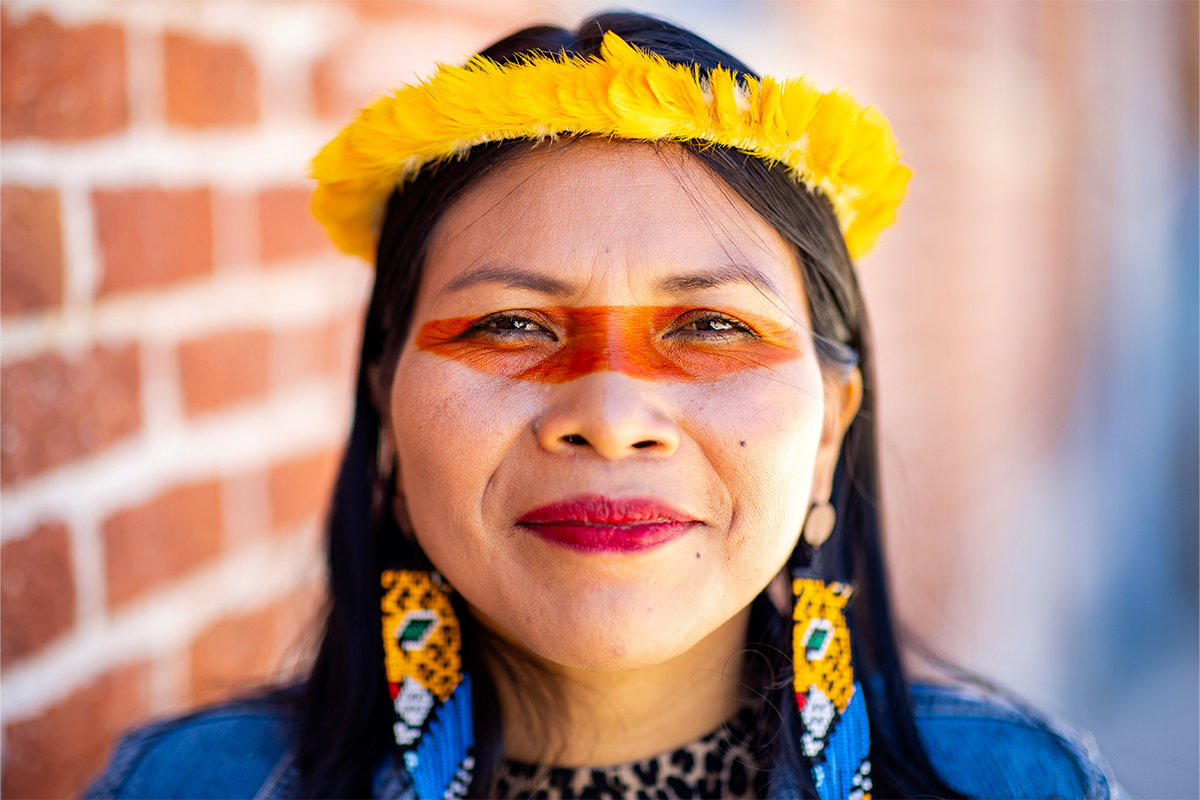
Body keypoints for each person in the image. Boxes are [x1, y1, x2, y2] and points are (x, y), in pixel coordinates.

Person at [86, 13, 1122, 800]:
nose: (613, 410)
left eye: (712, 327)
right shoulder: (192, 784)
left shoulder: (1019, 782)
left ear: (829, 430)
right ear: (387, 416)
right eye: (511, 326)